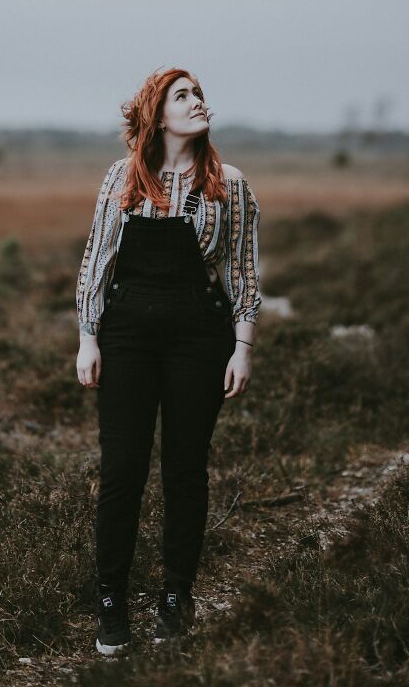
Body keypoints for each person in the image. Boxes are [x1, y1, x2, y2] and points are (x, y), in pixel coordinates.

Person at [75, 67, 261, 656]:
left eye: (200, 93)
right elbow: (96, 263)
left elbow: (241, 270)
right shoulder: (122, 179)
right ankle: (111, 604)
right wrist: (88, 337)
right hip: (126, 336)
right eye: (183, 95)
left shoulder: (228, 184)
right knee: (122, 472)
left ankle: (176, 597)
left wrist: (243, 345)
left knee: (185, 470)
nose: (198, 101)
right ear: (158, 115)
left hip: (198, 339)